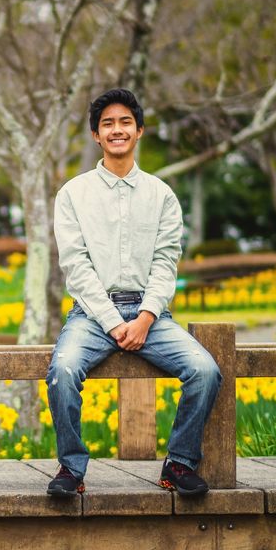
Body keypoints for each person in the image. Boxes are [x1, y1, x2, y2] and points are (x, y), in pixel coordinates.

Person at [47, 89, 221, 498]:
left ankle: (179, 464)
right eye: (107, 123)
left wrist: (144, 318)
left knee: (205, 370)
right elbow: (75, 265)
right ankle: (71, 468)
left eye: (125, 122)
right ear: (96, 135)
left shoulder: (162, 196)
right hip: (91, 314)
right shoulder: (73, 194)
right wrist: (112, 321)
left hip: (150, 313)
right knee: (63, 371)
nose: (117, 129)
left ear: (139, 131)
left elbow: (165, 263)